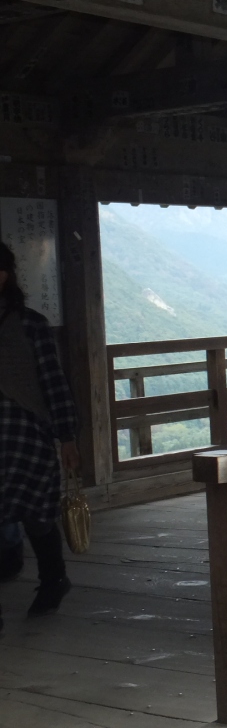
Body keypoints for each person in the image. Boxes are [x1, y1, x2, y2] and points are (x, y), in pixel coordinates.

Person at [0, 240, 78, 631]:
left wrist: (67, 436)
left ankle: (53, 579)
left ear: (4, 276)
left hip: (25, 436)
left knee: (36, 515)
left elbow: (53, 382)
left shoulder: (30, 325)